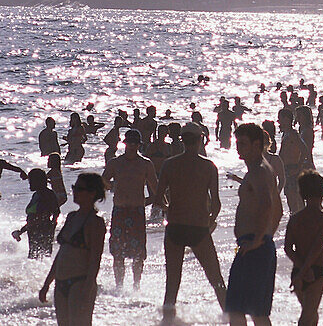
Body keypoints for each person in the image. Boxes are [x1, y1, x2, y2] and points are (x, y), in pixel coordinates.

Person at [153, 121, 227, 316]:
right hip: (198, 227)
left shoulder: (170, 164)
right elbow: (217, 204)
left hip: (175, 225)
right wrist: (211, 221)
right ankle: (232, 318)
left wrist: (170, 208)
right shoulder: (209, 166)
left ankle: (167, 320)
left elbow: (158, 199)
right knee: (216, 279)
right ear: (200, 139)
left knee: (172, 281)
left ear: (182, 140)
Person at [226, 123, 283, 326]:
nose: (238, 147)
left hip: (255, 246)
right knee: (252, 311)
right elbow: (279, 210)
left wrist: (258, 239)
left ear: (256, 144)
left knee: (238, 310)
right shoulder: (261, 170)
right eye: (237, 143)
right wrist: (266, 236)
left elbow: (268, 205)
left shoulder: (259, 171)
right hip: (257, 244)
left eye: (242, 143)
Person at [39, 171, 106, 326]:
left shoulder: (95, 223)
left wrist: (88, 289)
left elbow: (95, 260)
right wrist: (47, 283)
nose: (74, 191)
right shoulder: (71, 217)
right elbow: (61, 253)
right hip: (60, 282)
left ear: (92, 193)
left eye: (79, 189)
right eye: (74, 187)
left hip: (80, 283)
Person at [103, 127, 157, 289]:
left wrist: (159, 204)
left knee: (138, 254)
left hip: (137, 211)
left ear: (139, 145)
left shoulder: (145, 164)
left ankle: (136, 285)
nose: (132, 146)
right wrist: (113, 185)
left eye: (135, 143)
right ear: (125, 144)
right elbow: (102, 182)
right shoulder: (115, 163)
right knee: (118, 253)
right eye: (130, 143)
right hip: (119, 210)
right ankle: (119, 285)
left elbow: (156, 189)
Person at [284, 171, 323, 326]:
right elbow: (317, 248)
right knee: (307, 316)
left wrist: (300, 271)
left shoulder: (294, 219)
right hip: (316, 270)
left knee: (311, 313)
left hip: (297, 271)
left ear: (302, 193)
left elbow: (288, 249)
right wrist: (307, 270)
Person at [12, 168, 60, 257]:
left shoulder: (48, 194)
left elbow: (56, 212)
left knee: (41, 258)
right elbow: (33, 219)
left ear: (38, 181)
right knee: (34, 258)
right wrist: (21, 231)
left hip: (43, 232)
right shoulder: (36, 195)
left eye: (31, 182)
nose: (29, 184)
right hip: (33, 231)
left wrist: (51, 227)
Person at [279, 107, 313, 213]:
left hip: (293, 168)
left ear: (286, 119)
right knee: (290, 198)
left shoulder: (293, 135)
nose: (279, 122)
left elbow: (304, 150)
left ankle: (300, 221)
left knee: (296, 199)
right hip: (287, 169)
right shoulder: (285, 134)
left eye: (280, 119)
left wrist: (299, 165)